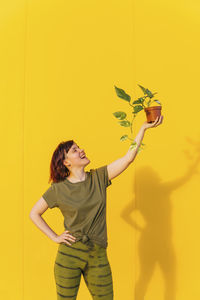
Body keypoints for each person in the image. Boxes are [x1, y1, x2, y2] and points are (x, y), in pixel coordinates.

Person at [29, 115, 163, 300]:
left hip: (97, 253)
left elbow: (128, 158)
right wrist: (54, 237)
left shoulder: (99, 177)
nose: (81, 150)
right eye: (75, 150)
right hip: (69, 254)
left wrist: (143, 129)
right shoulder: (58, 189)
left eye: (79, 147)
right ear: (67, 162)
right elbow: (34, 213)